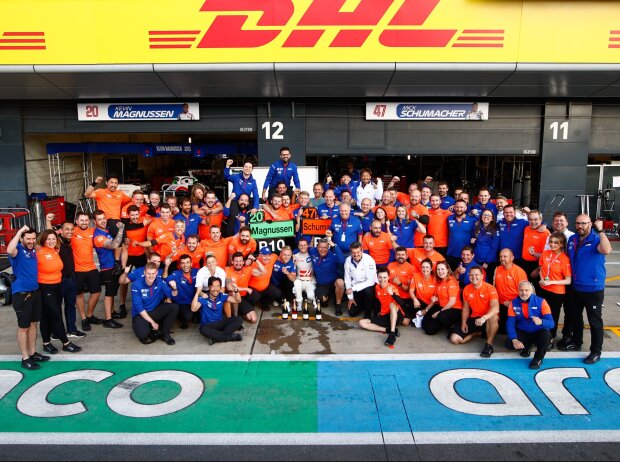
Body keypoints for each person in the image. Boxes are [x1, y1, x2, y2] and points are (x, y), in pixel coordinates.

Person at [560, 216, 611, 364]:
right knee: (575, 317)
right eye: (578, 223)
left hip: (593, 289)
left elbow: (606, 250)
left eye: (584, 223)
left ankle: (595, 351)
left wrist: (601, 230)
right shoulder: (573, 239)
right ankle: (577, 341)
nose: (580, 226)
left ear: (590, 224)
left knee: (595, 321)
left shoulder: (596, 238)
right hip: (575, 287)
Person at [7, 226, 48, 370]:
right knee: (23, 327)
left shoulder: (32, 250)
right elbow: (9, 250)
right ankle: (25, 358)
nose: (31, 241)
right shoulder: (17, 250)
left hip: (35, 292)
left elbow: (43, 244)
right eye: (28, 239)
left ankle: (32, 352)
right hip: (21, 294)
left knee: (33, 324)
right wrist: (18, 232)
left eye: (32, 238)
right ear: (22, 238)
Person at [36, 229, 82, 355]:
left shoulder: (55, 250)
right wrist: (35, 244)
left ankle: (46, 343)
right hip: (45, 287)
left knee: (45, 316)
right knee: (56, 315)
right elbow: (27, 244)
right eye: (48, 239)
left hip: (57, 286)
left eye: (53, 239)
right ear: (43, 240)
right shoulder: (38, 251)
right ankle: (65, 343)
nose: (51, 241)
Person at [45, 214, 86, 338]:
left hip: (71, 278)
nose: (70, 231)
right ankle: (55, 333)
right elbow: (49, 233)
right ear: (61, 230)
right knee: (56, 307)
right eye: (67, 229)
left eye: (72, 229)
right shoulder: (57, 241)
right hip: (60, 280)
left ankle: (71, 330)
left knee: (70, 305)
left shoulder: (70, 241)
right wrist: (48, 221)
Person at [450, 266, 500, 358]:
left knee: (494, 317)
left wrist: (484, 318)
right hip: (474, 318)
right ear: (469, 276)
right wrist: (464, 322)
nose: (474, 277)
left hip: (487, 318)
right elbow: (466, 308)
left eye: (476, 275)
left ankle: (489, 345)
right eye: (471, 275)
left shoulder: (490, 288)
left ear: (482, 276)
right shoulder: (466, 289)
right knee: (454, 339)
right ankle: (478, 333)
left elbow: (495, 308)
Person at [85, 175, 132, 270]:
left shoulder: (120, 194)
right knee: (118, 241)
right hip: (108, 220)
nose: (113, 185)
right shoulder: (101, 192)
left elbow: (130, 201)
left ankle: (123, 267)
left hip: (118, 220)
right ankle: (117, 263)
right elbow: (87, 194)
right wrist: (95, 183)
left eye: (115, 183)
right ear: (107, 183)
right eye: (111, 182)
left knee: (125, 245)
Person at [506, 281, 554, 369]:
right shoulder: (513, 303)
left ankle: (538, 358)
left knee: (546, 336)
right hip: (523, 331)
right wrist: (514, 339)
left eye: (526, 290)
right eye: (521, 290)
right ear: (518, 291)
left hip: (538, 332)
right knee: (509, 344)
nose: (524, 293)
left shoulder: (541, 302)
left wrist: (541, 322)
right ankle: (527, 346)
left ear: (531, 291)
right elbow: (510, 324)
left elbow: (551, 323)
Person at [130, 263, 179, 345]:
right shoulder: (136, 284)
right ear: (144, 273)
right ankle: (149, 326)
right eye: (149, 273)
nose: (151, 276)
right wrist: (152, 322)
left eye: (153, 273)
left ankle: (165, 333)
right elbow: (139, 307)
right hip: (140, 314)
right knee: (143, 335)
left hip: (154, 311)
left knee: (174, 307)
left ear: (156, 273)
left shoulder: (160, 281)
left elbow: (172, 295)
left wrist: (174, 288)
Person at [538, 232, 571, 350]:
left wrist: (551, 282)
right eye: (551, 242)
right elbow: (541, 268)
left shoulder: (564, 259)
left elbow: (568, 280)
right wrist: (542, 278)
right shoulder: (545, 253)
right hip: (543, 289)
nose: (552, 244)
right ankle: (542, 336)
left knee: (552, 316)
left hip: (556, 292)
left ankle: (551, 338)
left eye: (556, 242)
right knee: (542, 313)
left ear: (562, 244)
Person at [93, 209, 125, 328]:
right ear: (95, 221)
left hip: (114, 266)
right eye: (99, 219)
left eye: (103, 218)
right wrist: (121, 230)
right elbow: (114, 245)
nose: (102, 221)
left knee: (113, 292)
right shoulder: (98, 236)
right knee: (109, 294)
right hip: (107, 268)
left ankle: (111, 312)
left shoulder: (106, 231)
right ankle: (108, 319)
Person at [359, 267, 406, 346]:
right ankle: (387, 330)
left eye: (384, 277)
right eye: (380, 277)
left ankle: (392, 334)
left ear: (388, 277)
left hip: (396, 315)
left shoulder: (392, 288)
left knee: (392, 305)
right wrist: (377, 314)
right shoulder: (377, 287)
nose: (382, 280)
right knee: (362, 323)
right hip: (385, 316)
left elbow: (402, 303)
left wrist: (392, 294)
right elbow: (377, 301)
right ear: (377, 277)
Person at [72, 212, 103, 332]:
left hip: (91, 267)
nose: (84, 222)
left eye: (86, 220)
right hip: (77, 269)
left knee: (96, 292)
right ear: (77, 221)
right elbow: (51, 235)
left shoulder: (92, 231)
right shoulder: (72, 231)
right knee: (79, 295)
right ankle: (84, 318)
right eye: (82, 220)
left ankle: (89, 315)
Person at [193, 276, 243, 344]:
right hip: (208, 325)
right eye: (213, 286)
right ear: (209, 287)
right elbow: (193, 309)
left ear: (220, 287)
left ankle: (216, 338)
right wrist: (197, 293)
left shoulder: (221, 296)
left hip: (220, 323)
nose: (216, 289)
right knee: (202, 329)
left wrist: (236, 290)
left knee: (239, 319)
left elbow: (237, 300)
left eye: (218, 286)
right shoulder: (204, 298)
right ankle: (231, 337)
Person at [420, 261, 462, 336]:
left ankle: (453, 325)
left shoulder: (451, 281)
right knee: (424, 324)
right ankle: (442, 322)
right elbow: (435, 299)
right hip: (442, 307)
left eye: (442, 269)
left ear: (447, 270)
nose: (440, 271)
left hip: (454, 309)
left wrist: (439, 312)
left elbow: (452, 302)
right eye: (438, 269)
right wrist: (426, 310)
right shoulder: (440, 282)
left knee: (430, 330)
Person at [493, 248, 528, 334]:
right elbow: (495, 287)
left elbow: (525, 294)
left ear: (512, 258)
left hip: (513, 304)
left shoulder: (519, 272)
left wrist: (512, 303)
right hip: (499, 304)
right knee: (500, 330)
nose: (502, 258)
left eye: (505, 256)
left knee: (510, 331)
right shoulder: (498, 269)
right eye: (501, 256)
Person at [310, 236, 346, 316]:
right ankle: (327, 298)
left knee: (340, 282)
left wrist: (334, 245)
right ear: (317, 247)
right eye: (321, 247)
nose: (323, 249)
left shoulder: (332, 254)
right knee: (322, 300)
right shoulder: (313, 251)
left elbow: (342, 260)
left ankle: (338, 305)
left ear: (328, 247)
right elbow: (302, 249)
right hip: (322, 284)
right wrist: (294, 256)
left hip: (333, 282)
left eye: (325, 247)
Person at [344, 241, 377, 318]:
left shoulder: (369, 260)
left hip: (367, 287)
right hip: (355, 288)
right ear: (350, 252)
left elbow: (371, 281)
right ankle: (362, 305)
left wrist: (353, 288)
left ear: (362, 251)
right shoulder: (348, 261)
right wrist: (350, 298)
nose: (356, 255)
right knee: (352, 313)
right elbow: (347, 279)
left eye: (358, 252)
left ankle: (368, 313)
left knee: (368, 291)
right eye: (353, 252)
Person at [165, 254, 198, 329]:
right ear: (180, 265)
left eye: (187, 262)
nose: (185, 265)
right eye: (183, 263)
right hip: (182, 301)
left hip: (194, 300)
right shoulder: (176, 274)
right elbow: (165, 279)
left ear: (191, 263)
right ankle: (181, 317)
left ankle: (195, 314)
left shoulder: (197, 272)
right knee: (187, 316)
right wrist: (168, 297)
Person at [224, 251, 258, 324]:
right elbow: (230, 288)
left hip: (243, 298)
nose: (238, 263)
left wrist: (256, 260)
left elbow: (262, 272)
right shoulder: (228, 270)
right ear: (232, 262)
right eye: (236, 261)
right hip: (234, 297)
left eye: (240, 261)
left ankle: (242, 311)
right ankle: (235, 317)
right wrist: (246, 289)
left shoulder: (247, 269)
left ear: (243, 262)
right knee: (233, 292)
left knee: (253, 319)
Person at [387, 247, 416, 326]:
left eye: (402, 254)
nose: (400, 256)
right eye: (398, 254)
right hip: (392, 297)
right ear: (395, 256)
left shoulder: (411, 268)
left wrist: (399, 283)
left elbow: (408, 289)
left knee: (405, 322)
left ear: (406, 256)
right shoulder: (390, 265)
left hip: (404, 299)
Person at [446, 199, 476, 271]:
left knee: (464, 278)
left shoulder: (472, 220)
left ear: (465, 208)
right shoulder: (449, 218)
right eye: (457, 207)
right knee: (452, 276)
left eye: (461, 207)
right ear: (454, 207)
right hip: (451, 253)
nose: (459, 209)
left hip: (465, 255)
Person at [521, 210, 550, 281]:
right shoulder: (526, 229)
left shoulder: (545, 233)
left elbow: (548, 254)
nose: (533, 222)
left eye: (535, 219)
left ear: (541, 220)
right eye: (530, 219)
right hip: (524, 263)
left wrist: (538, 269)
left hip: (536, 265)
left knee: (537, 288)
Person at [471, 210, 499, 281]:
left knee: (487, 281)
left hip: (488, 262)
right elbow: (473, 241)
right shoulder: (476, 227)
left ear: (492, 218)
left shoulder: (495, 229)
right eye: (484, 215)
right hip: (477, 259)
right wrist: (472, 242)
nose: (486, 216)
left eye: (488, 215)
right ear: (481, 217)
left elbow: (494, 247)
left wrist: (487, 262)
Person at [293, 239, 316, 313]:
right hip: (299, 280)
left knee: (310, 296)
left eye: (305, 245)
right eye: (301, 245)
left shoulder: (312, 255)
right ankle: (299, 304)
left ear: (308, 245)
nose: (303, 247)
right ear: (298, 246)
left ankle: (312, 300)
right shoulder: (295, 256)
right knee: (296, 284)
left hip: (309, 281)